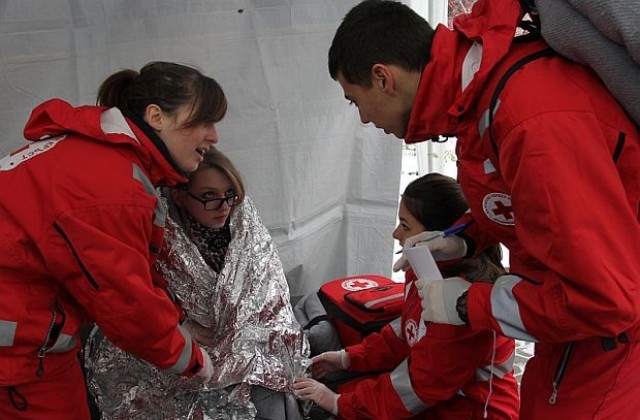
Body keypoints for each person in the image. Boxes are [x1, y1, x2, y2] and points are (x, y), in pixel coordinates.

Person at [326, 0, 640, 418]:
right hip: (572, 337)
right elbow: (530, 201)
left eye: (355, 101)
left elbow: (606, 300)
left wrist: (467, 304)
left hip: (611, 348)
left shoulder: (528, 117)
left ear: (383, 78)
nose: (364, 119)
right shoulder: (482, 100)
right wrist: (464, 238)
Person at [0, 61, 225, 419]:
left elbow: (131, 264)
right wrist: (197, 363)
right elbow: (126, 300)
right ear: (156, 117)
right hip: (18, 358)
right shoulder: (111, 187)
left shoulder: (95, 155)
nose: (213, 136)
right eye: (203, 122)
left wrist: (178, 323)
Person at [85, 147, 308, 419]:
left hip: (241, 346)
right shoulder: (159, 238)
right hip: (177, 347)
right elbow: (136, 296)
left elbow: (268, 287)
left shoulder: (244, 227)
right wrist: (178, 324)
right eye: (208, 197)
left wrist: (238, 338)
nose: (224, 206)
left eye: (230, 194)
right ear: (180, 197)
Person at [293, 173, 520, 419]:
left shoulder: (462, 303)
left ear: (438, 235)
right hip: (444, 400)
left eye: (406, 225)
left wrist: (339, 403)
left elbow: (420, 386)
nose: (396, 234)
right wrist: (347, 358)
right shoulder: (427, 270)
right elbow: (407, 330)